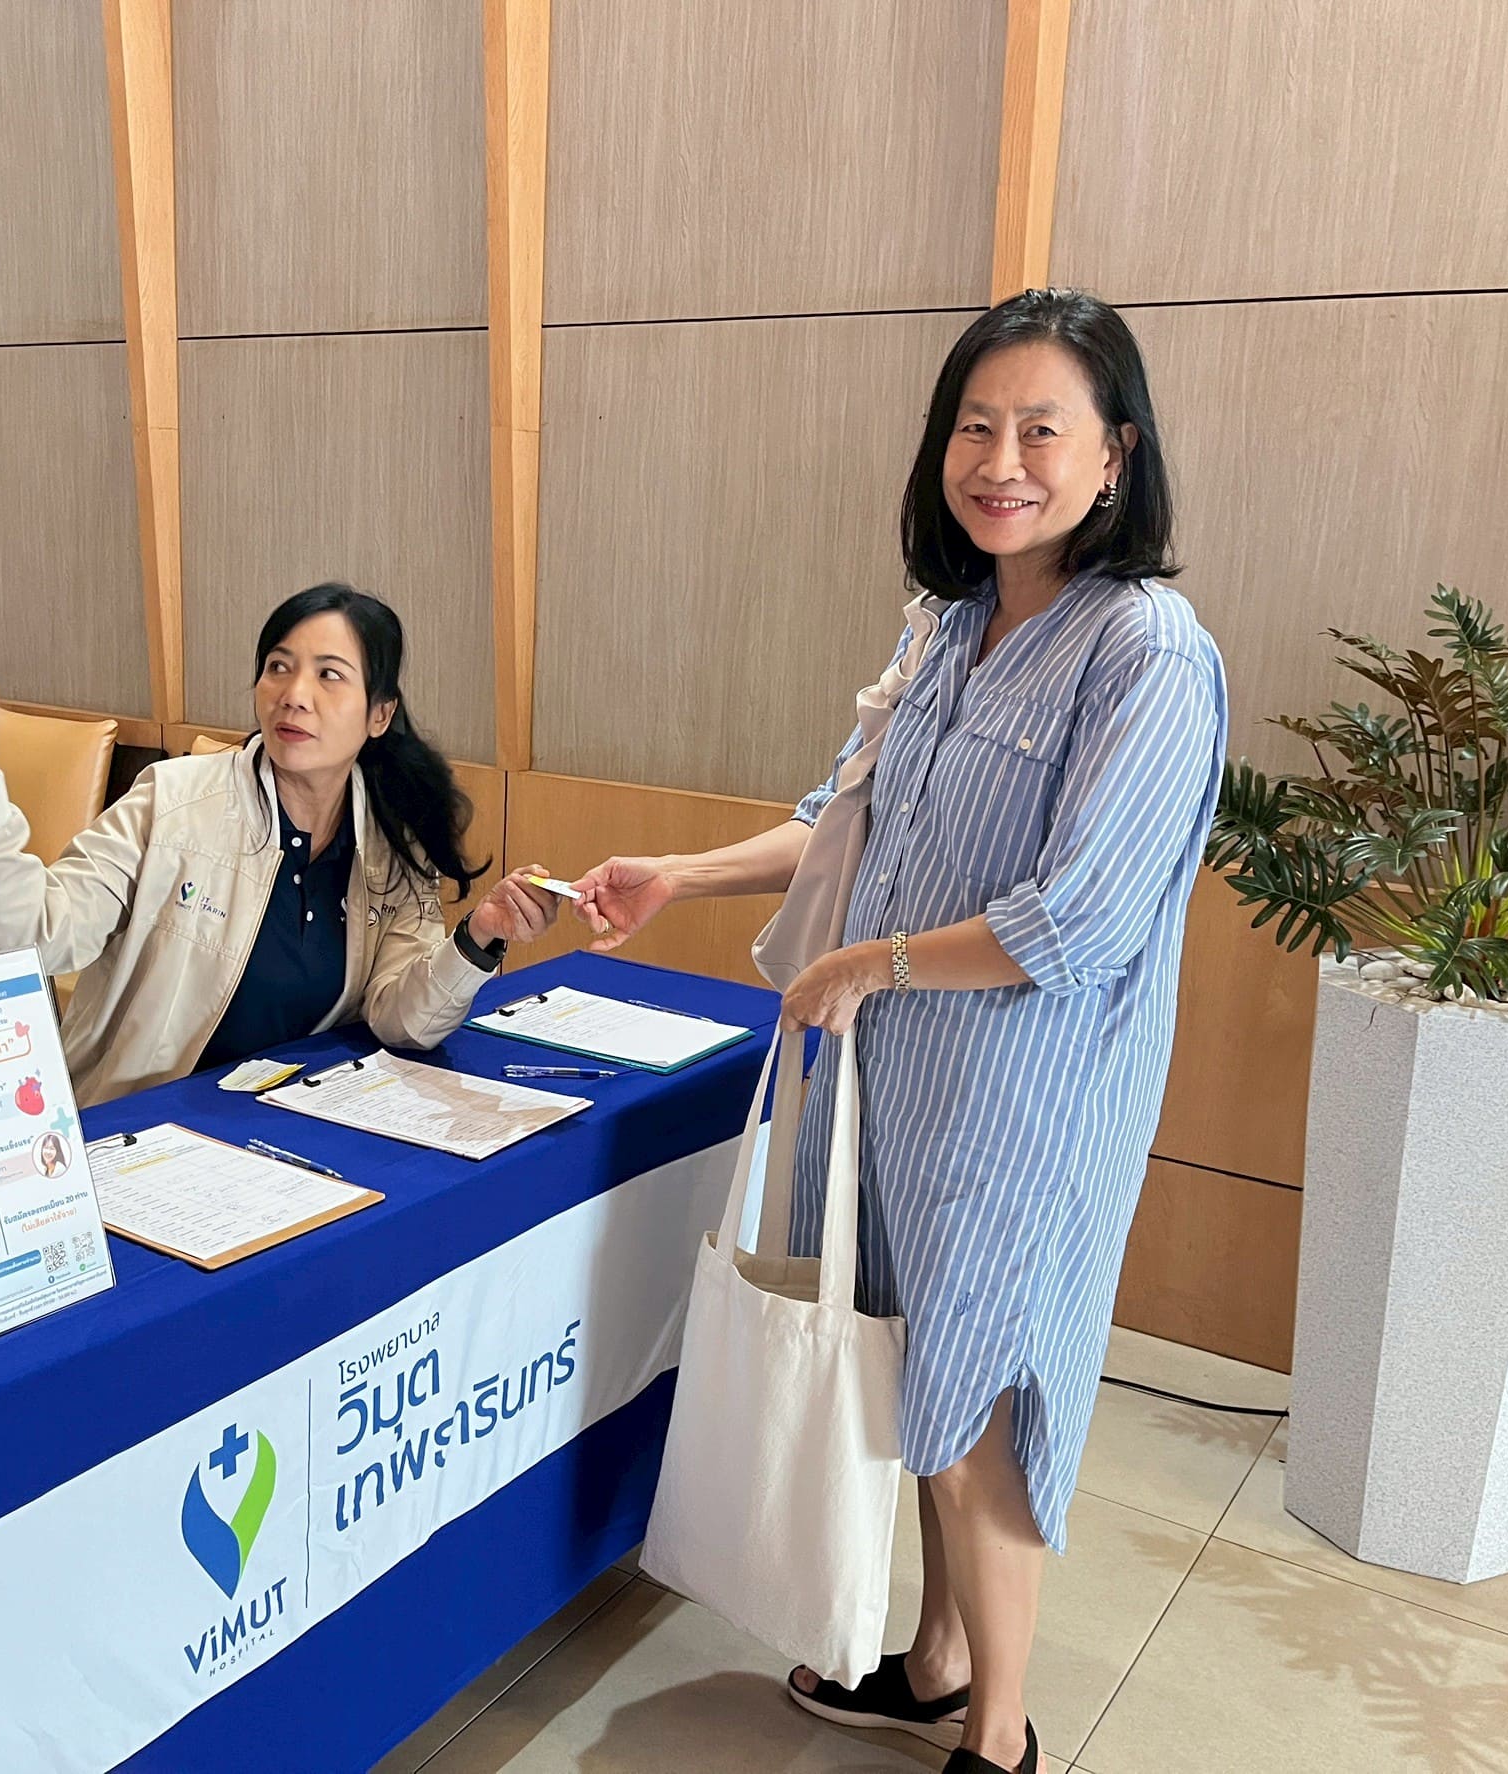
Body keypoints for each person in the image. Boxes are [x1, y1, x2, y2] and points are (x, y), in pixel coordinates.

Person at [576, 289, 1226, 1774]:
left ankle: (1000, 1734)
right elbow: (843, 820)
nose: (1002, 461)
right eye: (975, 427)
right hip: (894, 1087)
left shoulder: (1146, 650)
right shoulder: (947, 625)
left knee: (980, 1395)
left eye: (1042, 430)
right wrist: (678, 873)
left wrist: (875, 963)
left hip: (1021, 1101)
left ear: (1116, 455)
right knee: (918, 1372)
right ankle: (935, 1664)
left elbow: (1082, 917)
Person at [0, 584, 561, 1105]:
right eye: (278, 666)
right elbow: (30, 935)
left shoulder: (390, 842)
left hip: (296, 1124)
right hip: (142, 1124)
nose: (294, 695)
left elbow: (403, 1021)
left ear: (379, 714)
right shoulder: (173, 801)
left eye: (329, 675)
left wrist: (479, 938)